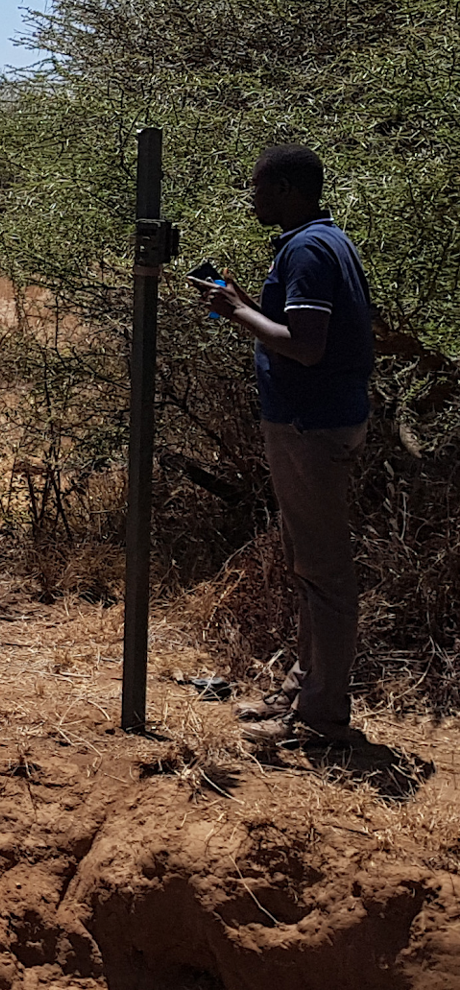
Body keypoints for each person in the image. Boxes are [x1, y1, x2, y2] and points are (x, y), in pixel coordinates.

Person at [193, 144, 375, 748]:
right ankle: (304, 692)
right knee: (310, 568)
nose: (253, 198)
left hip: (310, 426)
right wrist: (246, 302)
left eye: (261, 188)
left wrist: (235, 311)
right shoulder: (324, 241)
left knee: (323, 574)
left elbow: (305, 345)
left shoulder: (305, 250)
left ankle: (323, 720)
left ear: (291, 191)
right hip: (318, 421)